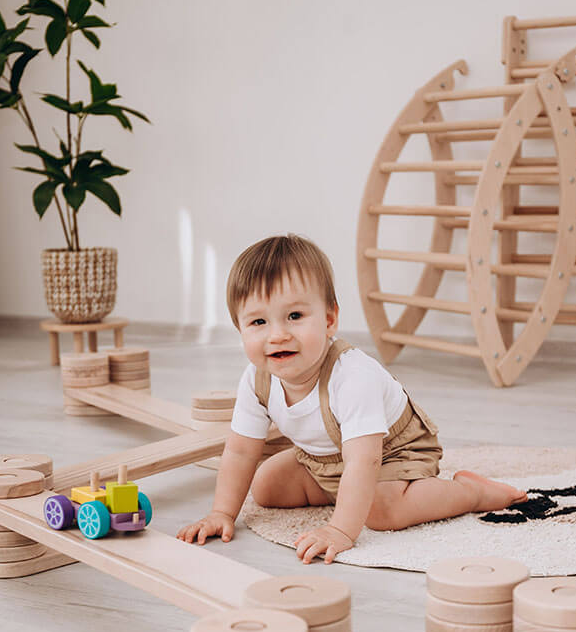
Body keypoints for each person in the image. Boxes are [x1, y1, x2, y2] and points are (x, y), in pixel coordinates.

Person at [177, 234, 526, 564]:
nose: (278, 334)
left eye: (295, 316)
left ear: (329, 320)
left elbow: (364, 461)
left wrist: (340, 529)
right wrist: (222, 513)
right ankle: (349, 494)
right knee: (266, 487)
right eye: (258, 322)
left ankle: (471, 493)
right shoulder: (257, 379)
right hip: (326, 458)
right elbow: (240, 450)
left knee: (381, 512)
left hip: (392, 451)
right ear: (240, 329)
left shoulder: (352, 376)